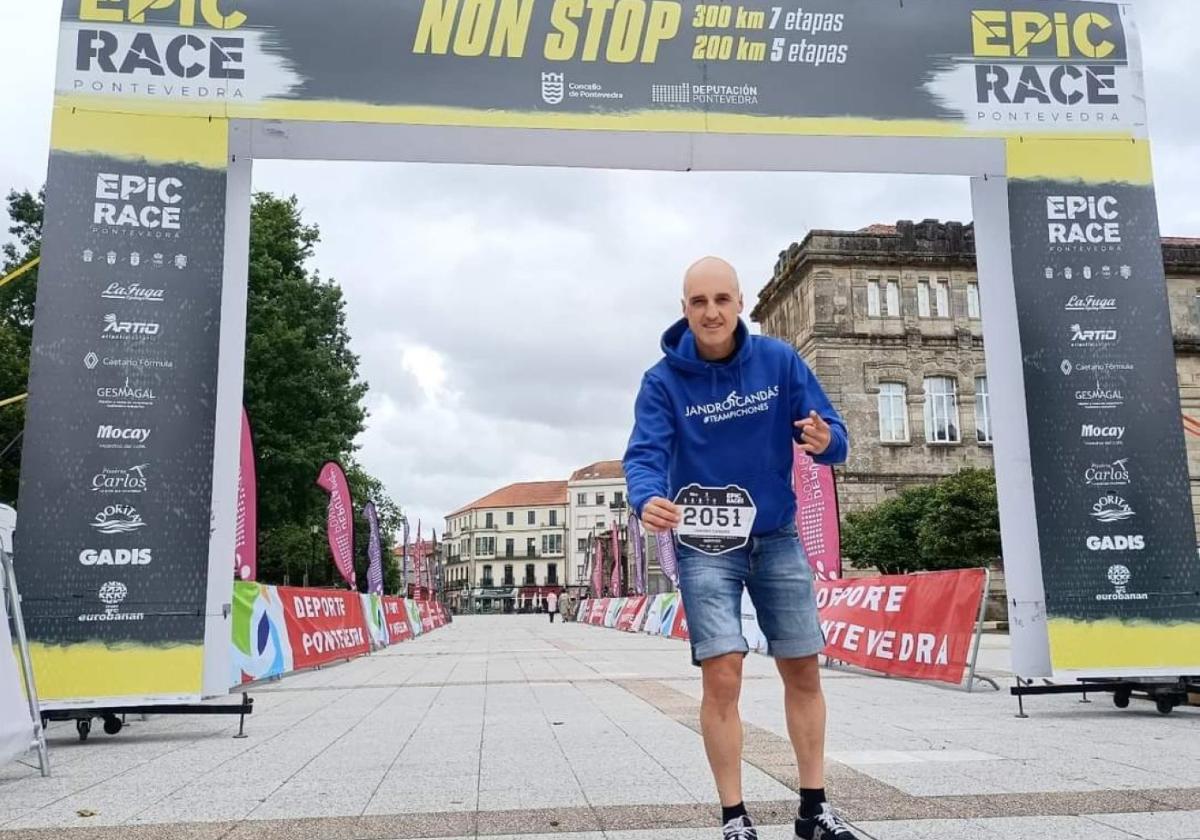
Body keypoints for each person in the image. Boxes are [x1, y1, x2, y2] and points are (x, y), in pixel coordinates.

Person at [622, 257, 855, 840]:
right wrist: (645, 497)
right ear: (684, 309)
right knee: (722, 673)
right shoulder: (662, 382)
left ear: (740, 302)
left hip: (776, 536)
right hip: (705, 543)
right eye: (699, 302)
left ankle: (813, 808)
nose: (712, 312)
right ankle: (735, 817)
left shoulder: (778, 362)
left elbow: (834, 435)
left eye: (721, 299)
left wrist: (826, 440)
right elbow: (644, 455)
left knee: (802, 667)